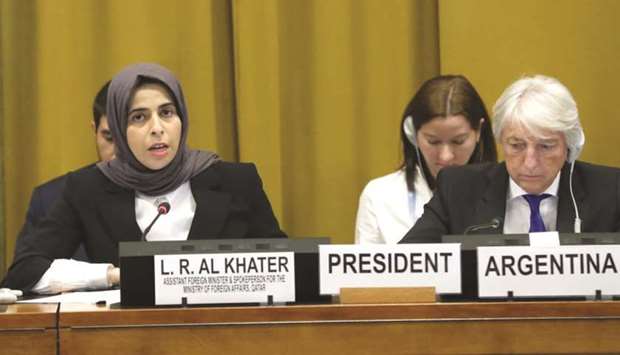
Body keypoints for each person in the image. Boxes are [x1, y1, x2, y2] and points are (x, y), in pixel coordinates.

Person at [3, 63, 286, 293]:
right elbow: (25, 271)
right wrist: (112, 275)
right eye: (139, 117)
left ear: (182, 119)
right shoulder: (89, 188)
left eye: (166, 113)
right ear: (117, 128)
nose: (157, 128)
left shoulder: (236, 182)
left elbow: (287, 266)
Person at [400, 75, 620, 243]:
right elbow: (408, 263)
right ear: (501, 140)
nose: (530, 162)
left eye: (546, 146)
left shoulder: (610, 192)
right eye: (516, 146)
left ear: (570, 146)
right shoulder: (458, 189)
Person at [355, 75, 497, 244]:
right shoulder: (379, 196)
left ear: (479, 131)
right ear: (412, 133)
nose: (446, 156)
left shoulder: (507, 191)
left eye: (458, 141)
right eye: (433, 141)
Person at [9, 81, 114, 263]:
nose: (119, 151)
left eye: (127, 138)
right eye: (109, 137)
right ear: (94, 131)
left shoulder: (173, 197)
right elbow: (23, 277)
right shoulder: (51, 199)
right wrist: (104, 276)